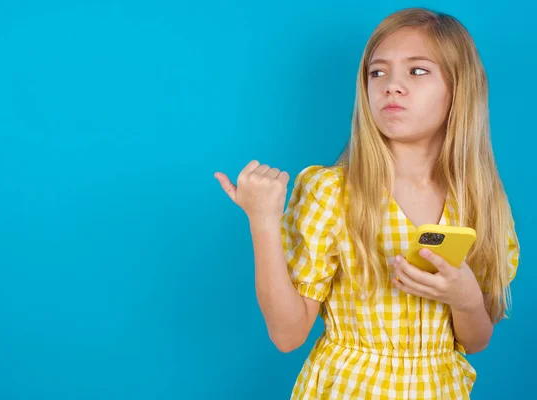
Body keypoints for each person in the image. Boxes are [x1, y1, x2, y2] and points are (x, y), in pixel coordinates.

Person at [214, 6, 520, 399]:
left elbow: (476, 341)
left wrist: (466, 298)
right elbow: (288, 336)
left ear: (459, 88)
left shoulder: (480, 202)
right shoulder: (331, 192)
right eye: (378, 72)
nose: (392, 85)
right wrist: (263, 220)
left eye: (417, 71)